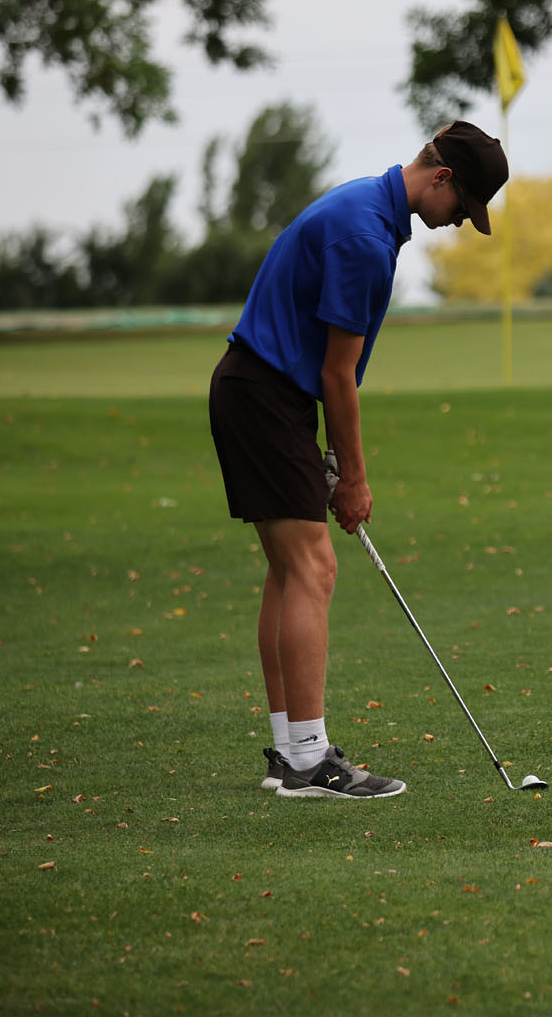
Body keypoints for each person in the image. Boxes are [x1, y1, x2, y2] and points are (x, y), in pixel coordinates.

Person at [207, 121, 508, 799]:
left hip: (261, 391)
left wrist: (331, 457)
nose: (458, 222)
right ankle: (309, 762)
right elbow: (338, 375)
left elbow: (326, 370)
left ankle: (292, 751)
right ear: (440, 178)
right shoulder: (366, 239)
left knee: (290, 569)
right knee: (313, 566)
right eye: (462, 208)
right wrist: (355, 479)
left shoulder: (364, 207)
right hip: (265, 395)